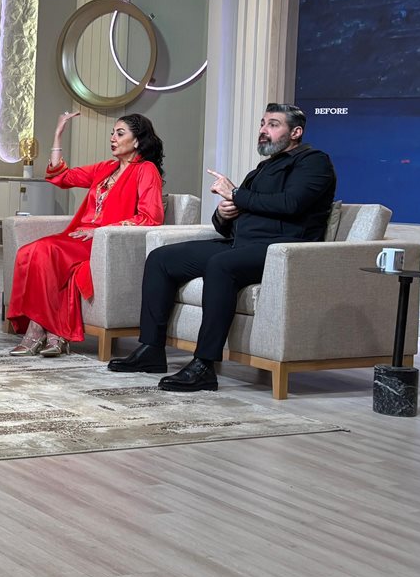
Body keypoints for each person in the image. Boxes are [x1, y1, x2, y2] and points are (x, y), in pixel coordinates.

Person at [109, 102, 336, 392]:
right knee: (161, 258)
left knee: (221, 265)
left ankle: (204, 365)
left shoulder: (313, 162)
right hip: (242, 245)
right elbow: (236, 219)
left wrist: (237, 194)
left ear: (296, 132)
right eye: (263, 123)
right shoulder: (263, 168)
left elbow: (291, 204)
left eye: (273, 124)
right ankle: (151, 349)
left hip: (283, 250)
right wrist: (224, 214)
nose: (263, 130)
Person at [7, 111, 166, 357]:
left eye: (120, 133)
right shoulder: (106, 168)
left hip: (104, 242)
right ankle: (54, 334)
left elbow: (150, 216)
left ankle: (36, 331)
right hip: (78, 236)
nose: (113, 138)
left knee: (45, 250)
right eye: (112, 133)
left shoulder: (146, 170)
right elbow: (61, 176)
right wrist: (58, 134)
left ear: (136, 141)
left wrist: (102, 232)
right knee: (28, 251)